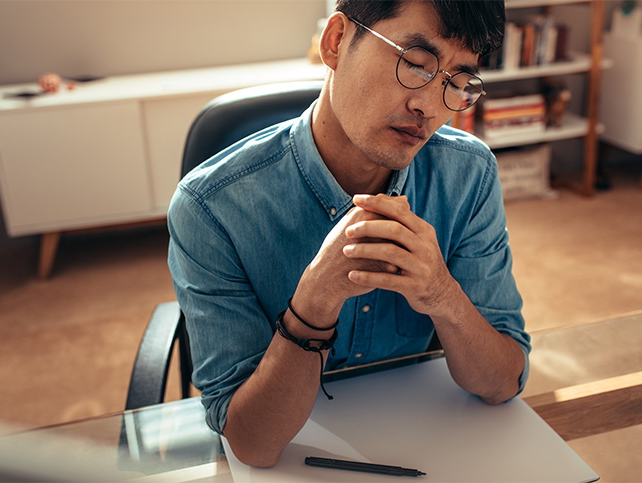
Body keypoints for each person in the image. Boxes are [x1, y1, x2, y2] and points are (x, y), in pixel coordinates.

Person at [168, 0, 531, 468]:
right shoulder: (212, 206)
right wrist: (313, 304)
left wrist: (443, 294)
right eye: (415, 64)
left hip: (423, 439)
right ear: (336, 41)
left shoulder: (468, 174)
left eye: (456, 83)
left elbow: (504, 382)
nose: (429, 106)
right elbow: (252, 445)